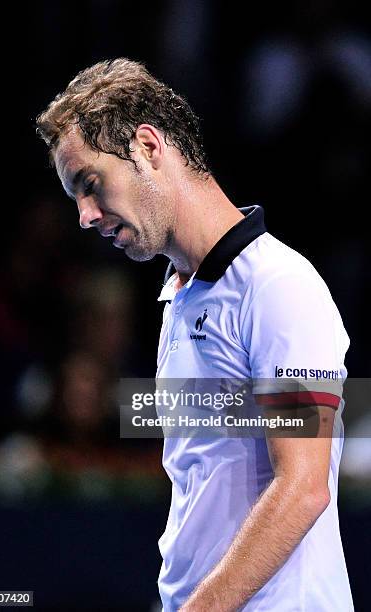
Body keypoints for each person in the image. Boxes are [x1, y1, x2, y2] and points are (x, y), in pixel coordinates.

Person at [36, 58, 354, 612]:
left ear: (149, 147)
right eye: (75, 199)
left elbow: (303, 488)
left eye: (90, 184)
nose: (84, 216)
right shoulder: (178, 301)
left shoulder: (280, 286)